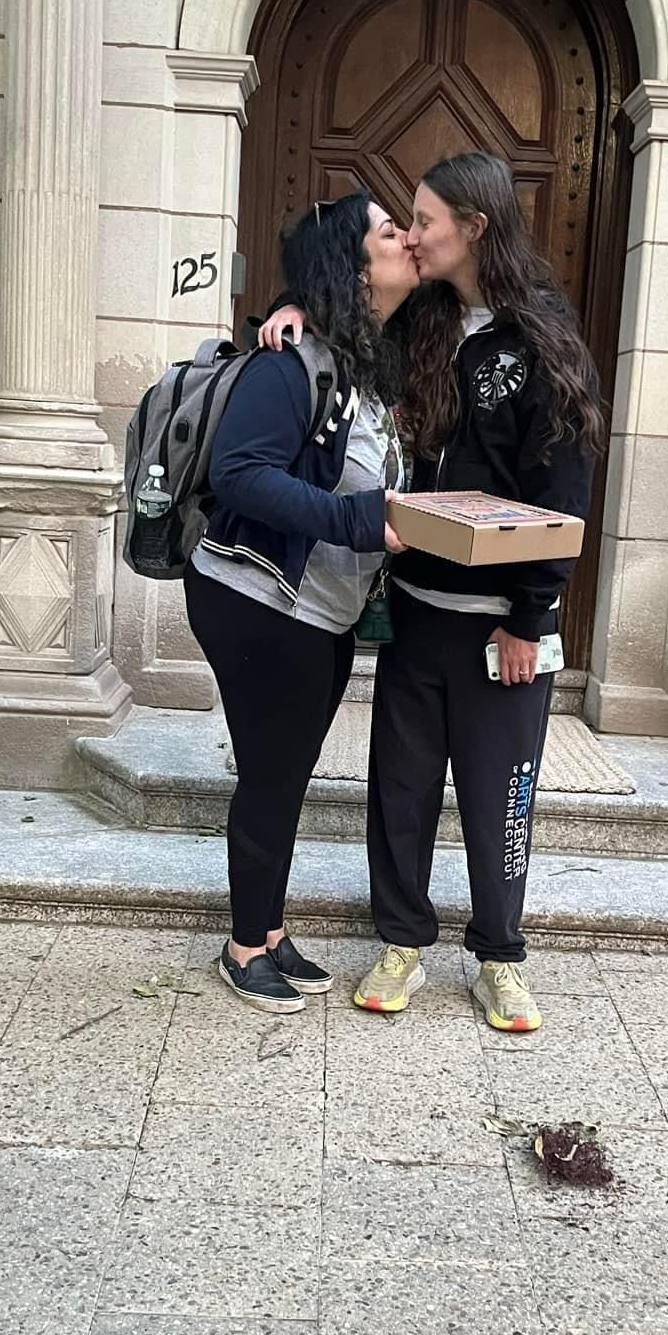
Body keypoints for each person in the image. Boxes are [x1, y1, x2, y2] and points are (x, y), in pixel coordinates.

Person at [351, 152, 605, 1033]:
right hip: (417, 613)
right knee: (401, 789)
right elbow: (347, 348)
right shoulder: (419, 322)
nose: (413, 235)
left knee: (502, 798)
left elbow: (563, 485)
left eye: (425, 219)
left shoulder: (543, 335)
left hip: (505, 633)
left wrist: (532, 615)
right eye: (409, 221)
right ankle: (401, 941)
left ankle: (500, 957)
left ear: (477, 226)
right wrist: (298, 308)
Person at [184, 191, 417, 1012]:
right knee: (272, 774)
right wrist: (360, 520)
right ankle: (246, 943)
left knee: (287, 771)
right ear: (351, 264)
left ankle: (271, 929)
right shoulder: (289, 365)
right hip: (255, 600)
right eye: (391, 232)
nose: (409, 240)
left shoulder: (362, 357)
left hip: (320, 609)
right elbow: (241, 476)